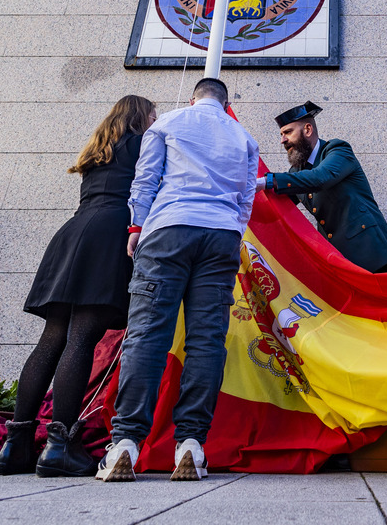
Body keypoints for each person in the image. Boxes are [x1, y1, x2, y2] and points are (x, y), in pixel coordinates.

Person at [98, 77, 259, 482]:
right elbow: (246, 199)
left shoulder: (167, 123)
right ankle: (191, 444)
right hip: (221, 236)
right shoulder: (244, 137)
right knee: (207, 339)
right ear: (225, 103)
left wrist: (136, 228)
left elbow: (146, 180)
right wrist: (231, 232)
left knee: (148, 335)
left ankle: (126, 443)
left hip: (169, 229)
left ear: (193, 98)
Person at [0, 95, 157, 478]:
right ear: (141, 116)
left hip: (73, 233)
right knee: (83, 337)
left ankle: (14, 446)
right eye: (154, 115)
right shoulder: (141, 143)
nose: (157, 121)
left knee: (52, 339)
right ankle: (60, 446)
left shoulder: (98, 148)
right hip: (109, 235)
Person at [262, 101, 387, 273]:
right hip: (340, 263)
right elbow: (277, 205)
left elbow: (320, 178)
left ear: (307, 130)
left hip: (373, 256)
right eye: (281, 134)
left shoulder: (338, 150)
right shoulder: (297, 171)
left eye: (288, 132)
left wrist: (269, 180)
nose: (283, 140)